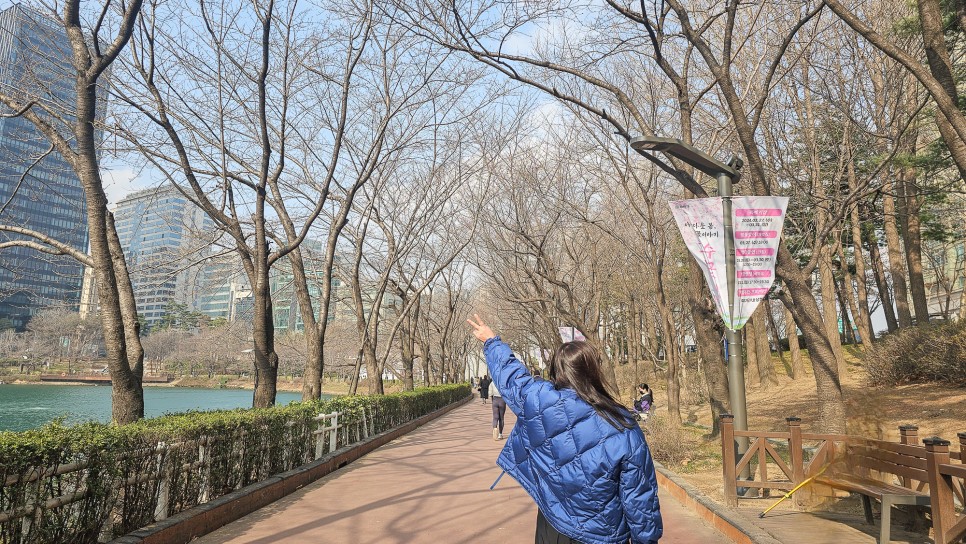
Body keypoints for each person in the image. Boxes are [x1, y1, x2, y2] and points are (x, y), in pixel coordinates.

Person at [467, 315, 661, 544]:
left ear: (557, 371)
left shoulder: (538, 401)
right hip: (602, 534)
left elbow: (512, 376)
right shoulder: (623, 425)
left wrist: (491, 341)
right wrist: (646, 540)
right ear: (594, 372)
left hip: (552, 526)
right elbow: (639, 496)